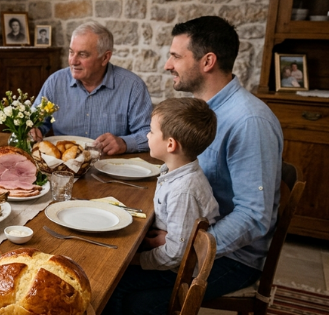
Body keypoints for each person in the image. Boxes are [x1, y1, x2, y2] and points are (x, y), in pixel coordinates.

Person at [106, 16, 283, 314]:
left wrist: (189, 244)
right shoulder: (200, 113)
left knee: (115, 282)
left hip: (233, 258)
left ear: (208, 61)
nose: (167, 64)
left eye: (176, 56)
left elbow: (255, 216)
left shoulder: (249, 121)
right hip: (190, 233)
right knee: (116, 252)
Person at [104, 98, 220, 313]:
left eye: (151, 131)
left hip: (174, 270)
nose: (147, 136)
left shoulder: (184, 190)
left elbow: (175, 254)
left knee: (112, 282)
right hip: (168, 254)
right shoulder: (174, 171)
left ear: (170, 144)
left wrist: (136, 260)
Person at [30, 22, 152, 155]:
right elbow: (35, 121)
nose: (73, 61)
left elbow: (149, 134)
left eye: (82, 55)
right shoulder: (55, 82)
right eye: (71, 52)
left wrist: (124, 143)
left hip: (112, 166)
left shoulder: (133, 86)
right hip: (63, 167)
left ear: (105, 57)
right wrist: (33, 129)